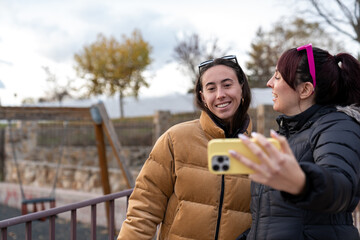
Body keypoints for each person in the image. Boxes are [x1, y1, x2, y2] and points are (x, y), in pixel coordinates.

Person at [230, 44, 360, 240]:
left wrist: (303, 183)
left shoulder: (337, 126)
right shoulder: (288, 136)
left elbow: (342, 187)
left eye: (278, 77)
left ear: (305, 89)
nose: (269, 83)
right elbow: (274, 220)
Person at [117, 55, 253, 240]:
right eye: (211, 88)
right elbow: (143, 209)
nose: (220, 94)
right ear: (202, 97)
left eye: (227, 85)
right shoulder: (175, 139)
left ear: (242, 88)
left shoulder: (258, 150)